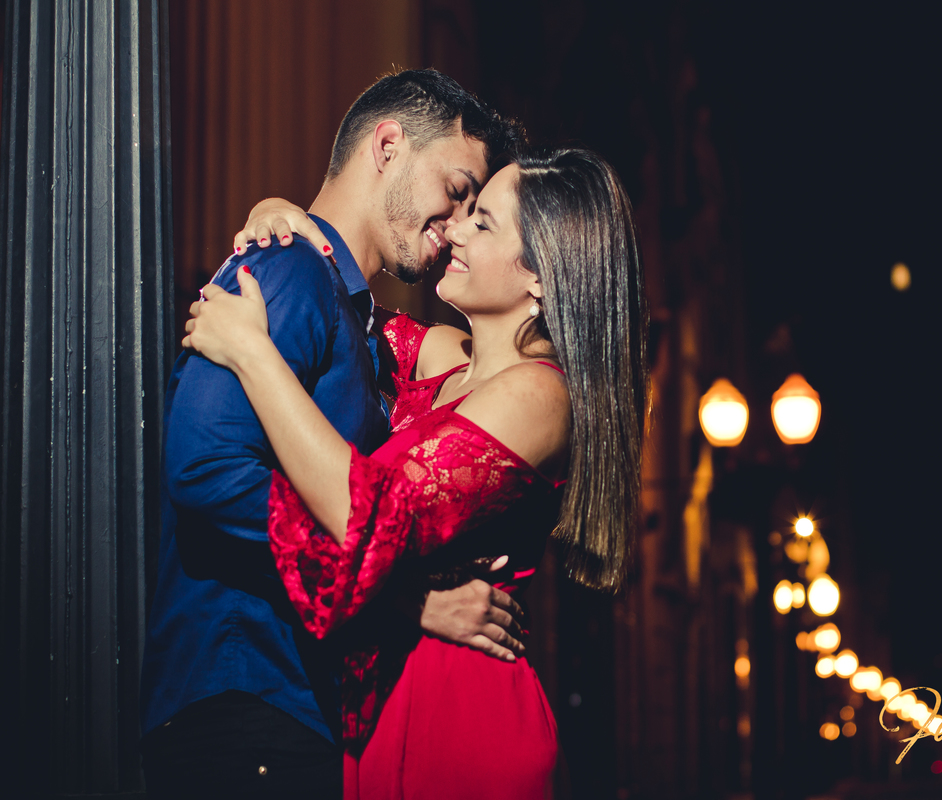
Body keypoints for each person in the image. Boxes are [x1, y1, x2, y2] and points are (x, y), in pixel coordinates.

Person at [183, 146, 647, 799]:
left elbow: (364, 516)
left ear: (541, 276)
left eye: (482, 222)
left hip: (462, 713)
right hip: (388, 697)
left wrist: (253, 354)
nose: (453, 228)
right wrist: (282, 225)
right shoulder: (447, 366)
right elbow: (343, 308)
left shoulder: (543, 396)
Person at [140, 69, 526, 799]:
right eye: (456, 189)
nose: (456, 223)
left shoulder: (360, 319)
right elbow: (206, 468)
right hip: (244, 703)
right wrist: (401, 597)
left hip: (295, 713)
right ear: (388, 146)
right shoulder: (285, 269)